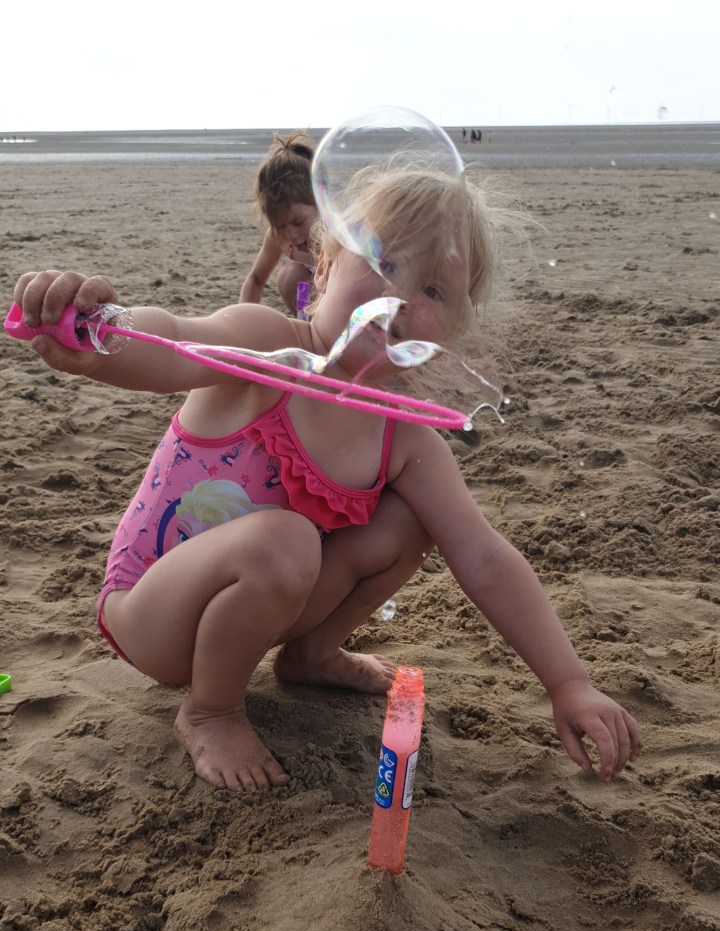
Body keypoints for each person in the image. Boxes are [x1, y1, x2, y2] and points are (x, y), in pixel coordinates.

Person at [13, 163, 642, 794]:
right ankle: (210, 711)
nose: (400, 297)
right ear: (326, 265)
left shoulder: (404, 438)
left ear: (450, 333)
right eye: (384, 262)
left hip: (256, 611)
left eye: (433, 289)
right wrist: (102, 332)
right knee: (285, 540)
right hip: (152, 612)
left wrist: (569, 682)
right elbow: (177, 341)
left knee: (412, 520)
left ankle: (311, 655)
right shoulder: (265, 344)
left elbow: (483, 556)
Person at [239, 131, 317, 314]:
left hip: (350, 295)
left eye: (298, 222)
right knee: (290, 277)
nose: (292, 235)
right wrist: (242, 317)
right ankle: (306, 322)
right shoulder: (279, 236)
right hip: (314, 299)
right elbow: (256, 279)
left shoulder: (338, 230)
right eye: (280, 225)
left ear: (320, 203)